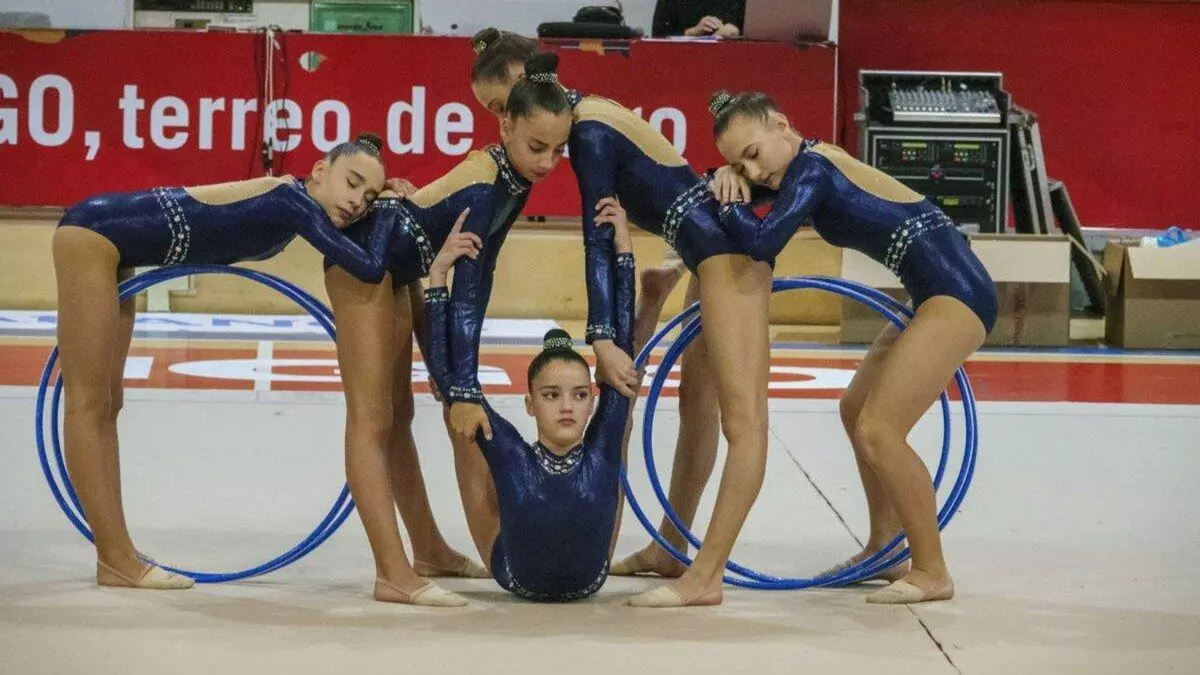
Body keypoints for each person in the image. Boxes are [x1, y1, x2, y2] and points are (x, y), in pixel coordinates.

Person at [54, 133, 392, 589]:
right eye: (352, 183)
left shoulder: (296, 205)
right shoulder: (292, 203)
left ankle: (117, 552)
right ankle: (114, 559)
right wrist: (391, 208)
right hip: (92, 236)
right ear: (318, 170)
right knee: (89, 403)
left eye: (369, 198)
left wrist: (381, 204)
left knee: (109, 404)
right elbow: (369, 266)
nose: (358, 202)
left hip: (117, 248)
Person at [706, 89, 998, 604]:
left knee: (880, 429)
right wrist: (725, 181)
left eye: (751, 154)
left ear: (781, 125)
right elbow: (754, 208)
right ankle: (886, 548)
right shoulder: (803, 168)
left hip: (957, 292)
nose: (751, 171)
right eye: (738, 166)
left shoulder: (813, 168)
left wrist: (728, 197)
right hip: (933, 290)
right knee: (855, 407)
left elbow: (763, 241)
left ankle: (932, 570)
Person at [468, 29, 719, 582]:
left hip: (719, 253)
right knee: (686, 402)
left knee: (707, 407)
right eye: (492, 113)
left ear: (525, 79)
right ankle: (672, 546)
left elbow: (597, 238)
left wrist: (602, 338)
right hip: (702, 250)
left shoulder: (585, 131)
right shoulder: (575, 123)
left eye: (499, 105)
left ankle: (691, 559)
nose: (501, 120)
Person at [325, 54, 573, 606]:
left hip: (401, 269)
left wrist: (457, 376)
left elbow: (478, 281)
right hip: (364, 262)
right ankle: (392, 573)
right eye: (537, 147)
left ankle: (428, 550)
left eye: (560, 151)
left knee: (402, 417)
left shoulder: (514, 179)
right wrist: (461, 385)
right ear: (505, 127)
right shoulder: (487, 185)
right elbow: (466, 290)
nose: (549, 162)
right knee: (372, 421)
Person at [421, 199, 634, 602]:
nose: (567, 406)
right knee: (462, 410)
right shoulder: (513, 455)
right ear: (530, 403)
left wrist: (623, 249)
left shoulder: (602, 443)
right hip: (513, 573)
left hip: (591, 575)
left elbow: (622, 340)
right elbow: (451, 378)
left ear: (592, 400)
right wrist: (437, 275)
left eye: (580, 395)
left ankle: (650, 300)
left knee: (623, 400)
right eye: (551, 395)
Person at [652, 0, 745, 39]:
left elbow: (751, 32)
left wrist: (736, 33)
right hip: (685, 60)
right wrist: (692, 33)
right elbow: (658, 38)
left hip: (730, 60)